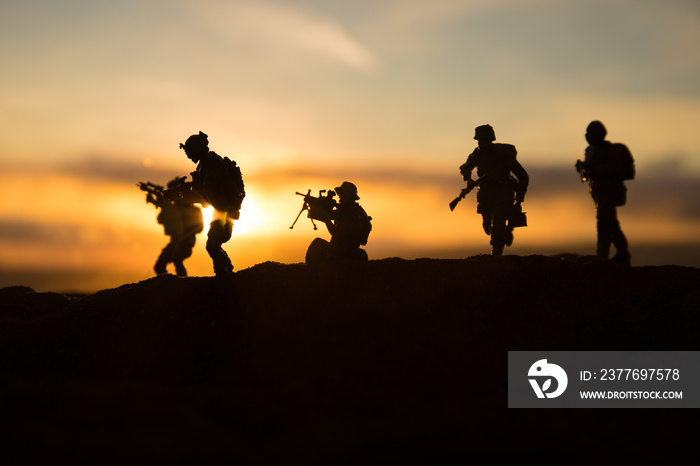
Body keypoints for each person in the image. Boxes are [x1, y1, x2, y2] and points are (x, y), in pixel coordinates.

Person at [179, 131, 245, 275]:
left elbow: (208, 192)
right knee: (212, 244)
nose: (188, 155)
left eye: (189, 151)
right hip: (219, 210)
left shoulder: (213, 163)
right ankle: (224, 270)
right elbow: (204, 190)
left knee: (213, 244)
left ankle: (224, 271)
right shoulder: (205, 164)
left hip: (224, 211)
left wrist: (188, 197)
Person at [459, 124, 529, 256]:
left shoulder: (503, 155)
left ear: (490, 140)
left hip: (503, 194)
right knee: (487, 227)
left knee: (497, 224)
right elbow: (465, 167)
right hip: (486, 195)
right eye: (479, 140)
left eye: (483, 140)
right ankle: (504, 232)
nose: (480, 143)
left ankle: (496, 257)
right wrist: (468, 179)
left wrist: (519, 200)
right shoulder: (478, 153)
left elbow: (523, 176)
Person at [576, 121, 633, 265]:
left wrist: (593, 169)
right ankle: (623, 253)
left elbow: (613, 167)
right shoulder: (589, 150)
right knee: (612, 223)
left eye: (591, 133)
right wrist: (583, 168)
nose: (588, 136)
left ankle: (602, 255)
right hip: (597, 191)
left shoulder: (610, 149)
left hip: (609, 190)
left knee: (603, 223)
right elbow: (588, 172)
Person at [139, 177, 204, 276]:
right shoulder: (178, 206)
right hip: (177, 240)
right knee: (160, 266)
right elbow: (167, 208)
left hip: (186, 240)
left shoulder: (192, 209)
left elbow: (198, 228)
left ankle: (181, 283)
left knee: (177, 259)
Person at [305, 181, 372, 263]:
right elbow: (317, 215)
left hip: (345, 252)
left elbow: (334, 231)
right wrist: (316, 206)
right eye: (340, 194)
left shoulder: (352, 214)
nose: (340, 196)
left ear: (350, 195)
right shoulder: (351, 210)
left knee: (317, 244)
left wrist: (326, 218)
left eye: (343, 194)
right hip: (347, 250)